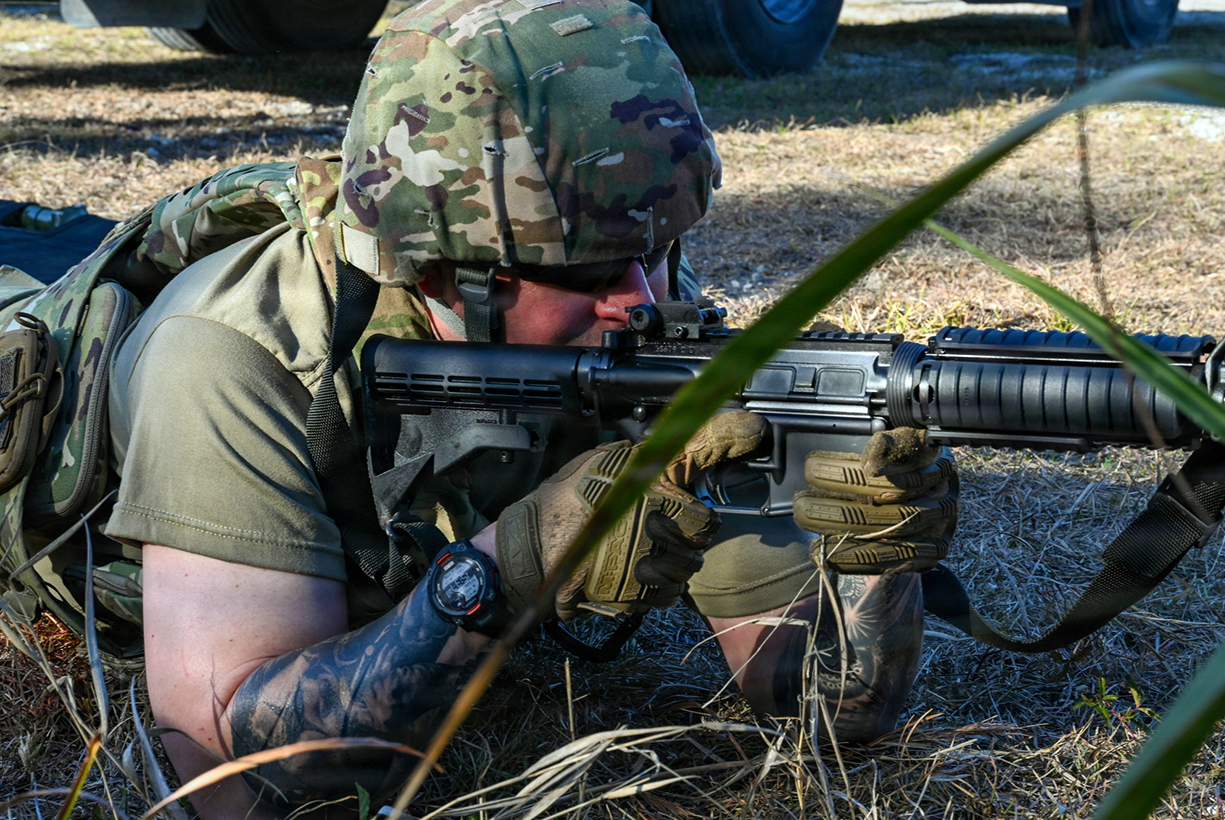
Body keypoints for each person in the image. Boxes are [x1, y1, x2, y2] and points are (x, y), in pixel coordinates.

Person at [102, 1, 959, 817]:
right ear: (440, 271)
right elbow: (232, 775)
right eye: (588, 277)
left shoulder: (629, 295)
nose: (641, 299)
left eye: (659, 252)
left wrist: (867, 566)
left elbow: (821, 711)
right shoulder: (239, 353)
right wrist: (508, 570)